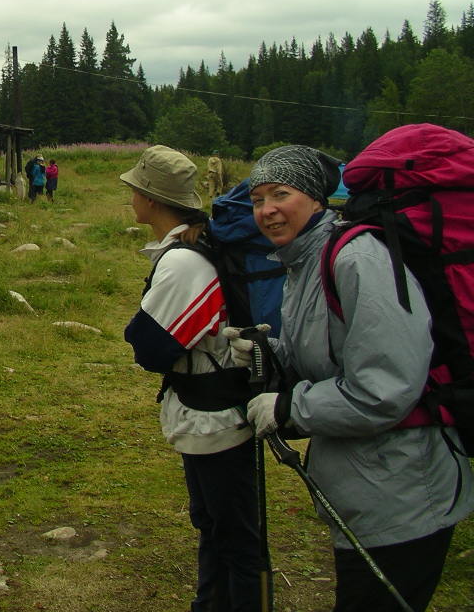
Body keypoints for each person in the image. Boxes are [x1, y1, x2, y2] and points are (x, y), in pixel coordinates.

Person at [241, 145, 474, 612]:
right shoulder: (303, 262)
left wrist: (290, 409)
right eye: (257, 199)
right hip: (368, 485)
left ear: (315, 198)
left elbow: (384, 388)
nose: (266, 210)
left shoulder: (356, 259)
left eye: (280, 194)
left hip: (405, 490)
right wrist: (268, 354)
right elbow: (328, 355)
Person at [122, 145, 261, 612]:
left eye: (135, 187)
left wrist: (139, 328)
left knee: (235, 537)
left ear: (154, 200)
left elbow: (149, 346)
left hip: (215, 419)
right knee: (214, 523)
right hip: (207, 413)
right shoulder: (186, 251)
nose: (130, 193)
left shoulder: (183, 263)